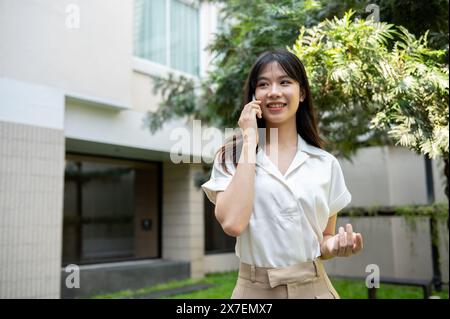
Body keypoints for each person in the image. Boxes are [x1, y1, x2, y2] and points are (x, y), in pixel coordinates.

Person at [201, 49, 363, 299]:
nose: (274, 91)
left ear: (302, 92)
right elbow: (233, 224)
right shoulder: (230, 158)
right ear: (254, 96)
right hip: (254, 293)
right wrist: (250, 139)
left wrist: (336, 245)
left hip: (315, 288)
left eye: (285, 82)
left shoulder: (325, 164)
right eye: (263, 84)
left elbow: (324, 240)